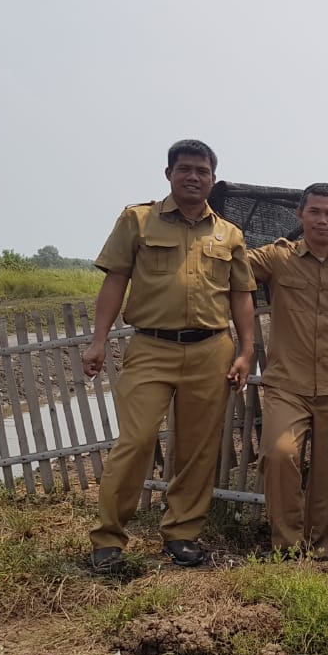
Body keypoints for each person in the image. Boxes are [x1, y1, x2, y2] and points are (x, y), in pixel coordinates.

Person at [82, 139, 256, 573]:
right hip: (151, 347)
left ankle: (181, 534)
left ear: (213, 179)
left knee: (198, 448)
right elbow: (115, 281)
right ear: (169, 174)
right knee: (136, 440)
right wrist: (98, 340)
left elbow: (241, 296)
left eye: (202, 171)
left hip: (211, 349)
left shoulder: (229, 234)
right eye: (185, 169)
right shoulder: (137, 220)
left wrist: (246, 350)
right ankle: (108, 539)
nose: (194, 177)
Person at [247, 183, 328, 556]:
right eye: (315, 212)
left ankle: (320, 549)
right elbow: (231, 267)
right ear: (300, 214)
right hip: (287, 384)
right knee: (278, 454)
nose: (323, 220)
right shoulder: (276, 257)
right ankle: (287, 546)